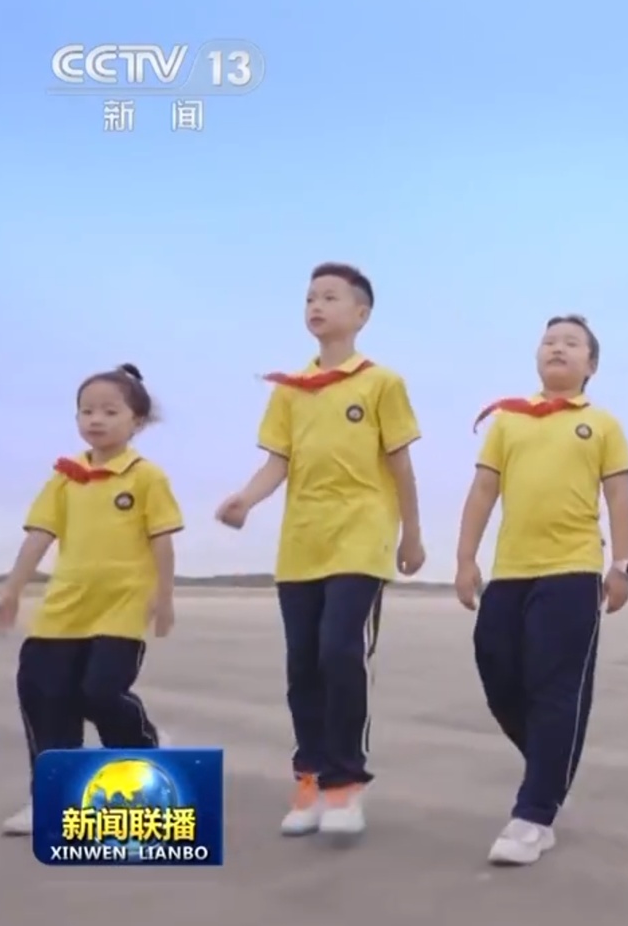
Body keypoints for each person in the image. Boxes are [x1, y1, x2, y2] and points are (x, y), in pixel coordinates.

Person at [215, 262, 424, 840]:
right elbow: (276, 462)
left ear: (361, 314)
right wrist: (246, 499)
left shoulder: (381, 383)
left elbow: (401, 465)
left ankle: (344, 783)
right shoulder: (291, 389)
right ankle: (308, 778)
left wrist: (411, 533)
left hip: (361, 536)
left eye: (330, 297)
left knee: (339, 651)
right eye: (310, 297)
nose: (316, 305)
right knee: (302, 664)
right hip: (302, 543)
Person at [455, 314, 628, 866]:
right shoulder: (508, 421)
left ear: (591, 364)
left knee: (556, 687)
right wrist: (465, 558)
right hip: (510, 572)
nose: (558, 348)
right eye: (550, 341)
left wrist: (622, 566)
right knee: (497, 670)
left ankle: (533, 815)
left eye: (572, 343)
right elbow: (483, 491)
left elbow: (620, 498)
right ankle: (550, 766)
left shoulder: (601, 424)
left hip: (573, 572)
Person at [0, 364, 180, 836]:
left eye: (110, 411)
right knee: (44, 692)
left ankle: (144, 749)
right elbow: (39, 535)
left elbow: (161, 540)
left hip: (121, 606)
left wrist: (165, 596)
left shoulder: (146, 477)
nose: (96, 419)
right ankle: (52, 796)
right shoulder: (65, 477)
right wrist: (12, 589)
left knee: (99, 691)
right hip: (64, 608)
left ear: (136, 421)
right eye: (87, 411)